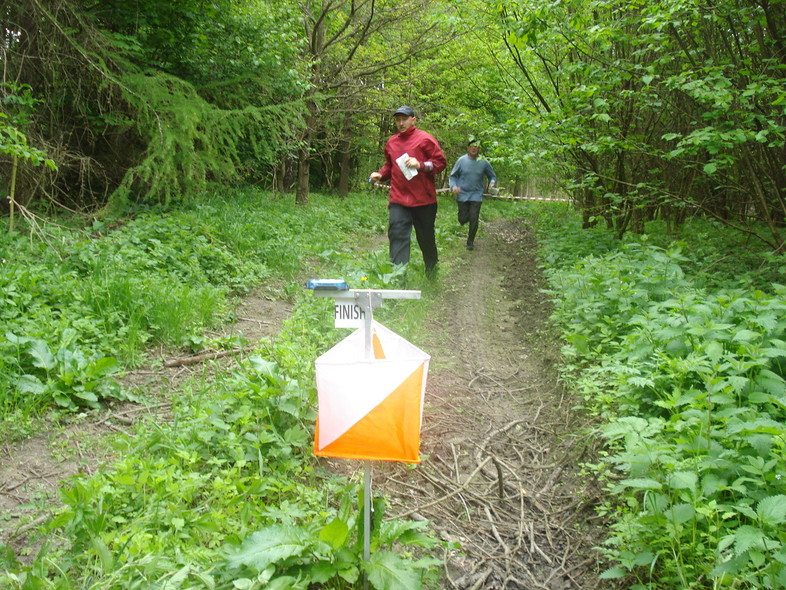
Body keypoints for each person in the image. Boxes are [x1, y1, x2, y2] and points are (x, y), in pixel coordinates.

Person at [370, 106, 447, 277]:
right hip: (399, 200)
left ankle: (431, 269)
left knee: (426, 239)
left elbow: (440, 163)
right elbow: (389, 165)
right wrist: (380, 174)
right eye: (398, 119)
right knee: (397, 234)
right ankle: (398, 277)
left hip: (423, 201)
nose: (401, 123)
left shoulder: (425, 139)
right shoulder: (391, 142)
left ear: (413, 120)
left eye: (404, 119)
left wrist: (420, 165)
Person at [448, 137, 497, 250]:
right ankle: (466, 218)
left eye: (476, 146)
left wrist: (492, 183)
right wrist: (453, 186)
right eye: (472, 146)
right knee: (462, 219)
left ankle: (470, 242)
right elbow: (453, 176)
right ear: (468, 148)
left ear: (478, 148)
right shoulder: (461, 160)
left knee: (474, 218)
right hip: (462, 194)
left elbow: (492, 176)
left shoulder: (483, 162)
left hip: (476, 194)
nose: (474, 148)